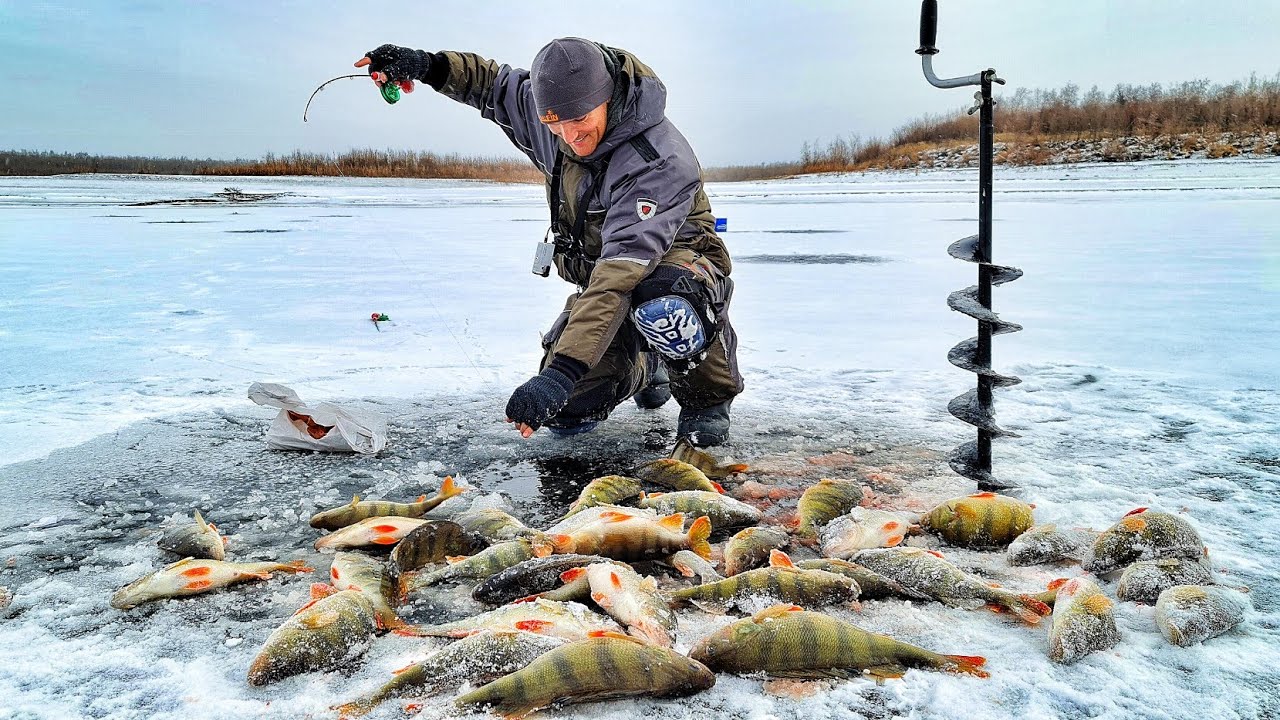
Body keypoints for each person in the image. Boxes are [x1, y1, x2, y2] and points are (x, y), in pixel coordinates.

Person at [356, 38, 743, 447]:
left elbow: (619, 276)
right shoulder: (556, 121)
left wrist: (563, 371)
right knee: (567, 410)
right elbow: (491, 85)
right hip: (604, 277)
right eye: (555, 125)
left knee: (663, 301)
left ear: (607, 97)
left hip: (675, 263)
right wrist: (423, 64)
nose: (570, 137)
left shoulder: (658, 159)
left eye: (579, 122)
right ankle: (647, 365)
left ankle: (705, 399)